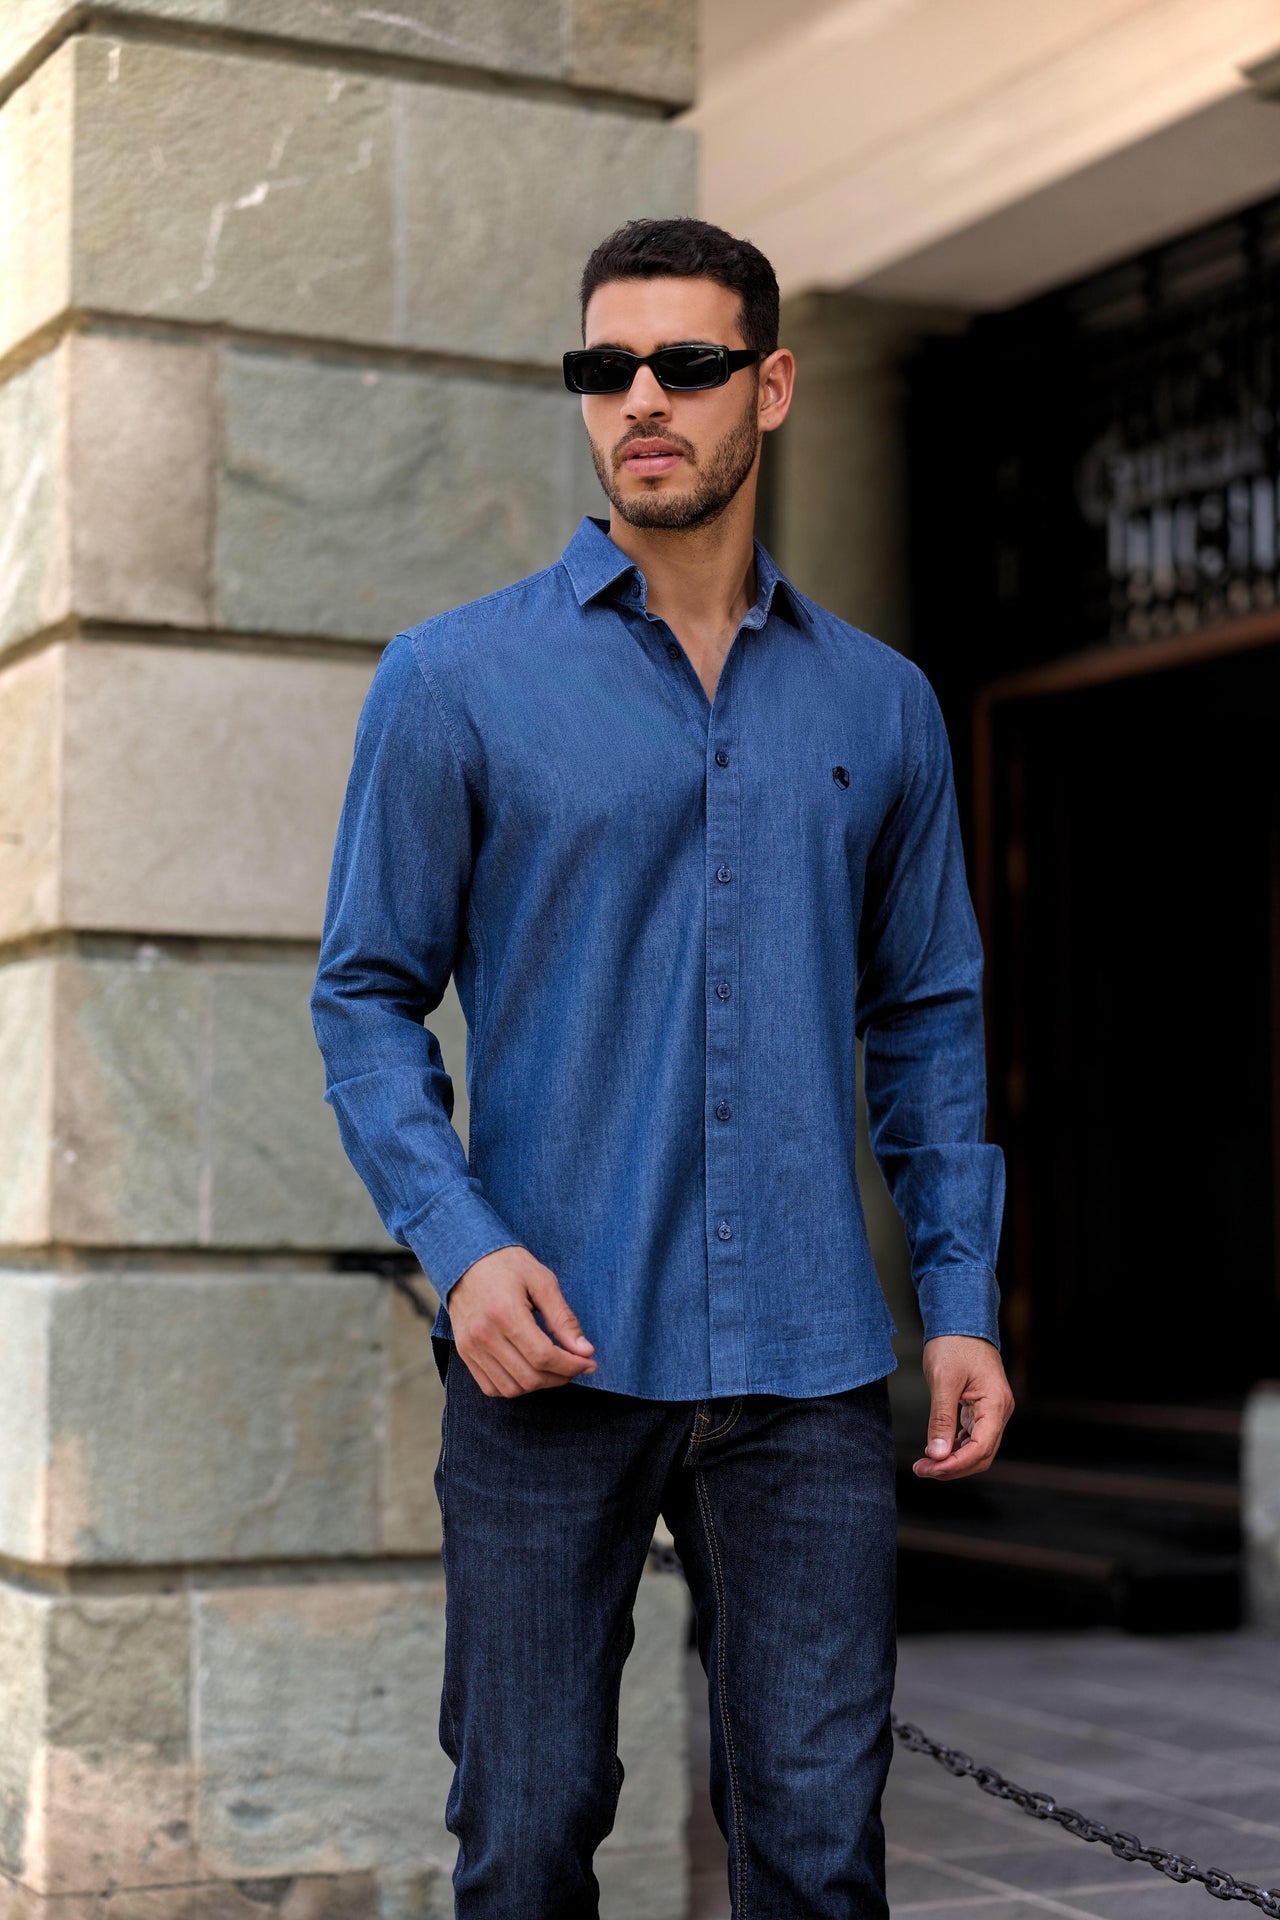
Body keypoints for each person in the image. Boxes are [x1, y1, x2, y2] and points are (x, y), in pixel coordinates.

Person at [310, 215, 1014, 1919]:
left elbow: (927, 1015)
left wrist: (960, 1299)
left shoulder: (884, 706)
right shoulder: (454, 681)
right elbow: (366, 994)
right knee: (527, 1836)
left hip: (810, 1368)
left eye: (688, 365)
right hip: (550, 1355)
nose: (642, 399)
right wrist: (461, 1246)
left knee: (819, 1851)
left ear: (769, 387)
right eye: (605, 366)